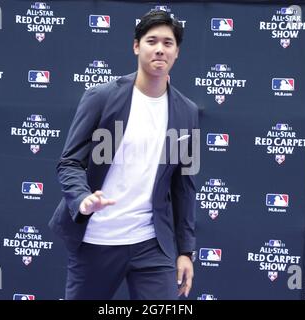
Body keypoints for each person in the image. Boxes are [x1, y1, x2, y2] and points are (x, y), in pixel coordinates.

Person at [49, 10, 199, 300]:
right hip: (97, 239)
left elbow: (184, 186)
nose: (159, 49)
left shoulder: (187, 112)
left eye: (167, 43)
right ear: (136, 46)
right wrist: (83, 199)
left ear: (177, 52)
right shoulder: (101, 97)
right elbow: (69, 162)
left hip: (151, 243)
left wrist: (185, 252)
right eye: (151, 40)